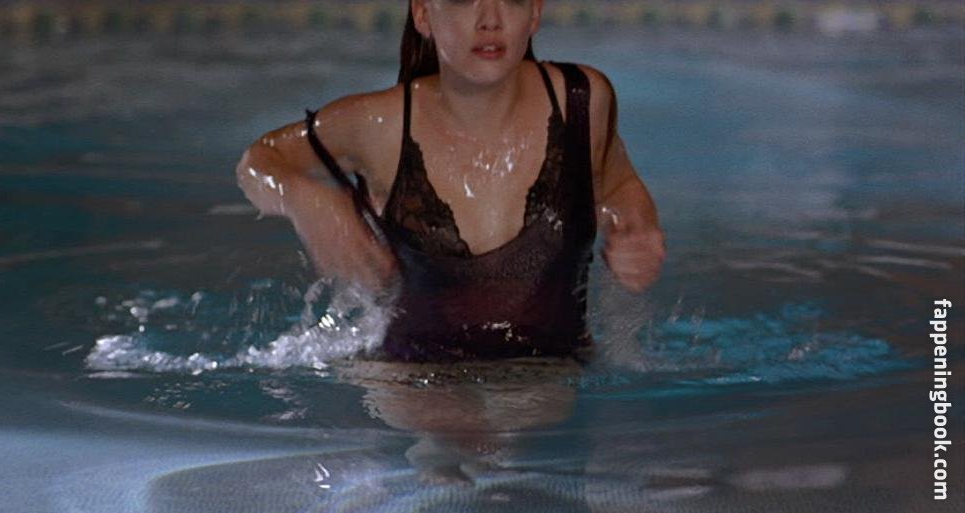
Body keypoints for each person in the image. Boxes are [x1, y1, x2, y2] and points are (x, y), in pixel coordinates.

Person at [236, 0, 665, 362]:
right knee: (492, 420)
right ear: (423, 14)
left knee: (528, 405)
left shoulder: (581, 101)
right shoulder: (382, 125)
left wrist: (635, 228)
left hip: (551, 368)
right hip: (414, 377)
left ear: (534, 13)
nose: (490, 19)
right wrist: (307, 201)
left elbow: (616, 185)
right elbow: (260, 161)